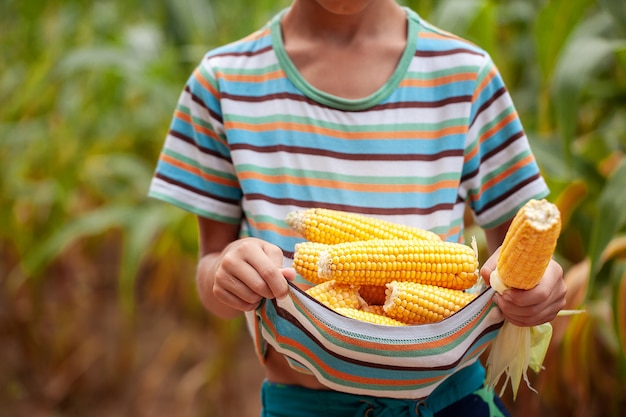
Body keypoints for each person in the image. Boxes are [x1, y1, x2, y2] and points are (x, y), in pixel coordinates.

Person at [149, 0, 567, 415]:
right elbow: (210, 271)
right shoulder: (222, 83)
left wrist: (537, 285)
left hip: (451, 402)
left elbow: (518, 257)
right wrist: (227, 273)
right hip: (305, 406)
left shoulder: (465, 74)